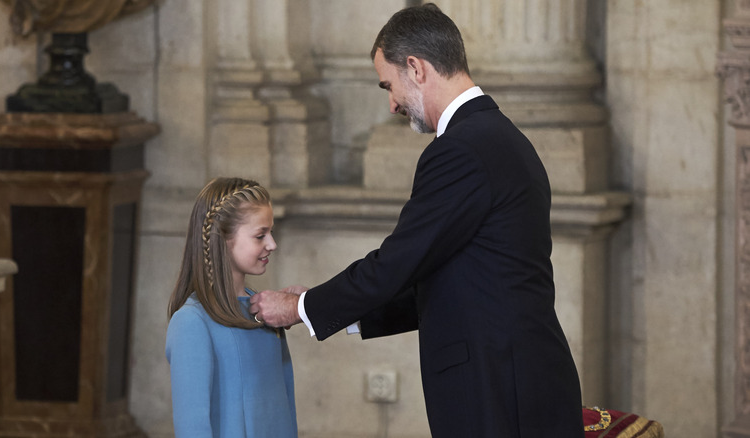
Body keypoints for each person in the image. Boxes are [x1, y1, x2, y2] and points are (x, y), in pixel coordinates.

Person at [250, 3, 583, 437]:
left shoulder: (460, 150)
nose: (391, 104)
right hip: (520, 381)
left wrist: (299, 307)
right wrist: (338, 308)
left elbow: (396, 263)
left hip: (498, 390)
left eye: (389, 85)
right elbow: (451, 283)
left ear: (416, 68)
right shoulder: (503, 137)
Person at [165, 177, 297, 438]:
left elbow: (285, 408)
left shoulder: (264, 312)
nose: (272, 244)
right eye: (260, 235)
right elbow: (193, 427)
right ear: (222, 240)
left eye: (270, 233)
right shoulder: (192, 323)